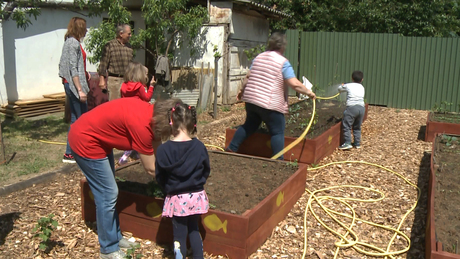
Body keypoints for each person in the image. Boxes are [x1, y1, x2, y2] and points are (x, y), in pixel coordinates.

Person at [68, 97, 163, 259]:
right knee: (107, 194)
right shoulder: (142, 125)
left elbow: (158, 150)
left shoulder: (153, 116)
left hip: (99, 139)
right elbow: (151, 168)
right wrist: (175, 182)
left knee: (109, 192)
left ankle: (116, 238)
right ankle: (108, 249)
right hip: (85, 140)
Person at [226, 32, 316, 160]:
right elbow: (294, 84)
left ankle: (231, 148)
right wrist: (309, 92)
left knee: (249, 125)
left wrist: (241, 91)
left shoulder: (259, 57)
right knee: (277, 132)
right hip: (269, 103)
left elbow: (247, 77)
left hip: (251, 101)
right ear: (282, 46)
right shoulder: (283, 62)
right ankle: (278, 160)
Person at [154, 100, 210, 259]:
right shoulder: (199, 147)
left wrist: (168, 189)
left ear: (171, 123)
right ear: (193, 123)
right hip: (196, 196)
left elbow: (160, 176)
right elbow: (206, 170)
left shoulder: (163, 150)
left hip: (177, 199)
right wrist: (198, 184)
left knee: (179, 235)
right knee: (194, 229)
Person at [58, 17, 90, 163]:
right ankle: (71, 153)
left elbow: (75, 65)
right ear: (79, 28)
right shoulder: (72, 43)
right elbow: (72, 68)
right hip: (74, 85)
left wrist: (86, 73)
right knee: (80, 120)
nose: (86, 31)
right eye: (84, 28)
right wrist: (80, 89)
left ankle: (73, 152)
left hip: (72, 83)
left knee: (76, 119)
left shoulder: (71, 42)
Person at [118, 62, 156, 165]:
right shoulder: (139, 86)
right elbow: (147, 98)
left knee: (129, 134)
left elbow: (122, 99)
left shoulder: (123, 85)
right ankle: (132, 154)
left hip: (126, 113)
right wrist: (151, 86)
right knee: (139, 134)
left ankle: (128, 155)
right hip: (138, 113)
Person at [98, 24, 133, 101]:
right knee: (114, 105)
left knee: (125, 105)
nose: (130, 35)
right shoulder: (110, 45)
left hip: (127, 81)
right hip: (114, 80)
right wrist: (102, 80)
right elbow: (103, 63)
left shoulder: (129, 47)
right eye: (129, 34)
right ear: (121, 34)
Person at [338, 70, 365, 150]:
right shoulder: (362, 87)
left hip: (352, 108)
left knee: (347, 125)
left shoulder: (348, 85)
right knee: (357, 126)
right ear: (362, 80)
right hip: (361, 108)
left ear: (352, 78)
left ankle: (347, 143)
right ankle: (357, 143)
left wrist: (343, 85)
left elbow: (339, 89)